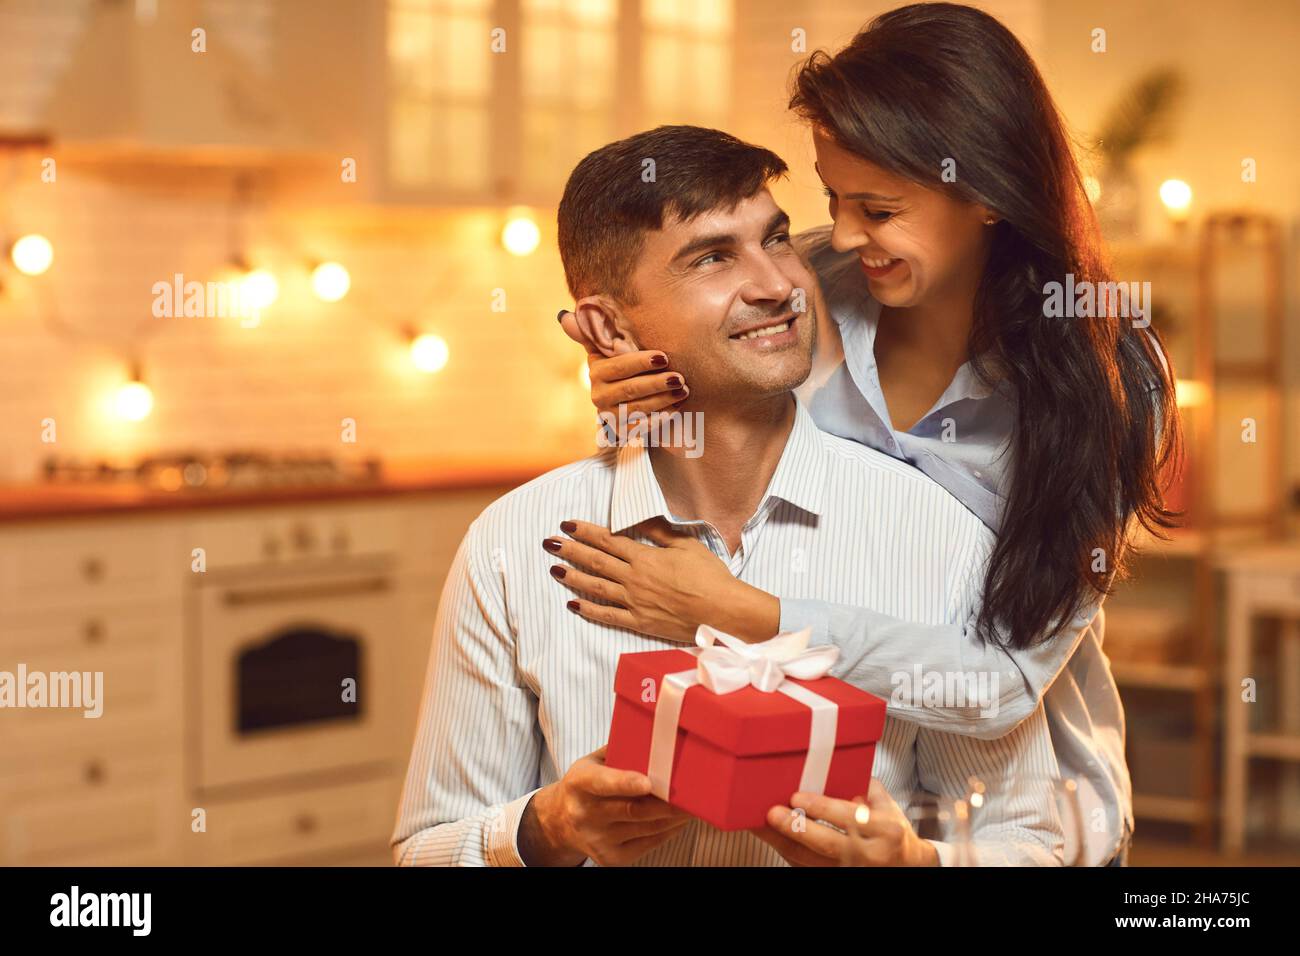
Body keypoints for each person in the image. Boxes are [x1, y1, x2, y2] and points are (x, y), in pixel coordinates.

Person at [553, 3, 1179, 867]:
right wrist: (633, 389)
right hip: (796, 787)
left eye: (879, 208)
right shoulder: (805, 290)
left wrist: (743, 614)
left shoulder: (1109, 382)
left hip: (1002, 823)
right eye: (832, 197)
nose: (843, 234)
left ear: (990, 193)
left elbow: (1000, 683)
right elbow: (698, 433)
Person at [391, 125, 1064, 867]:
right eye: (714, 256)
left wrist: (914, 864)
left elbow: (1031, 842)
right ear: (611, 325)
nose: (777, 284)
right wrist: (547, 829)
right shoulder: (512, 547)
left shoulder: (934, 531)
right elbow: (427, 849)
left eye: (775, 240)